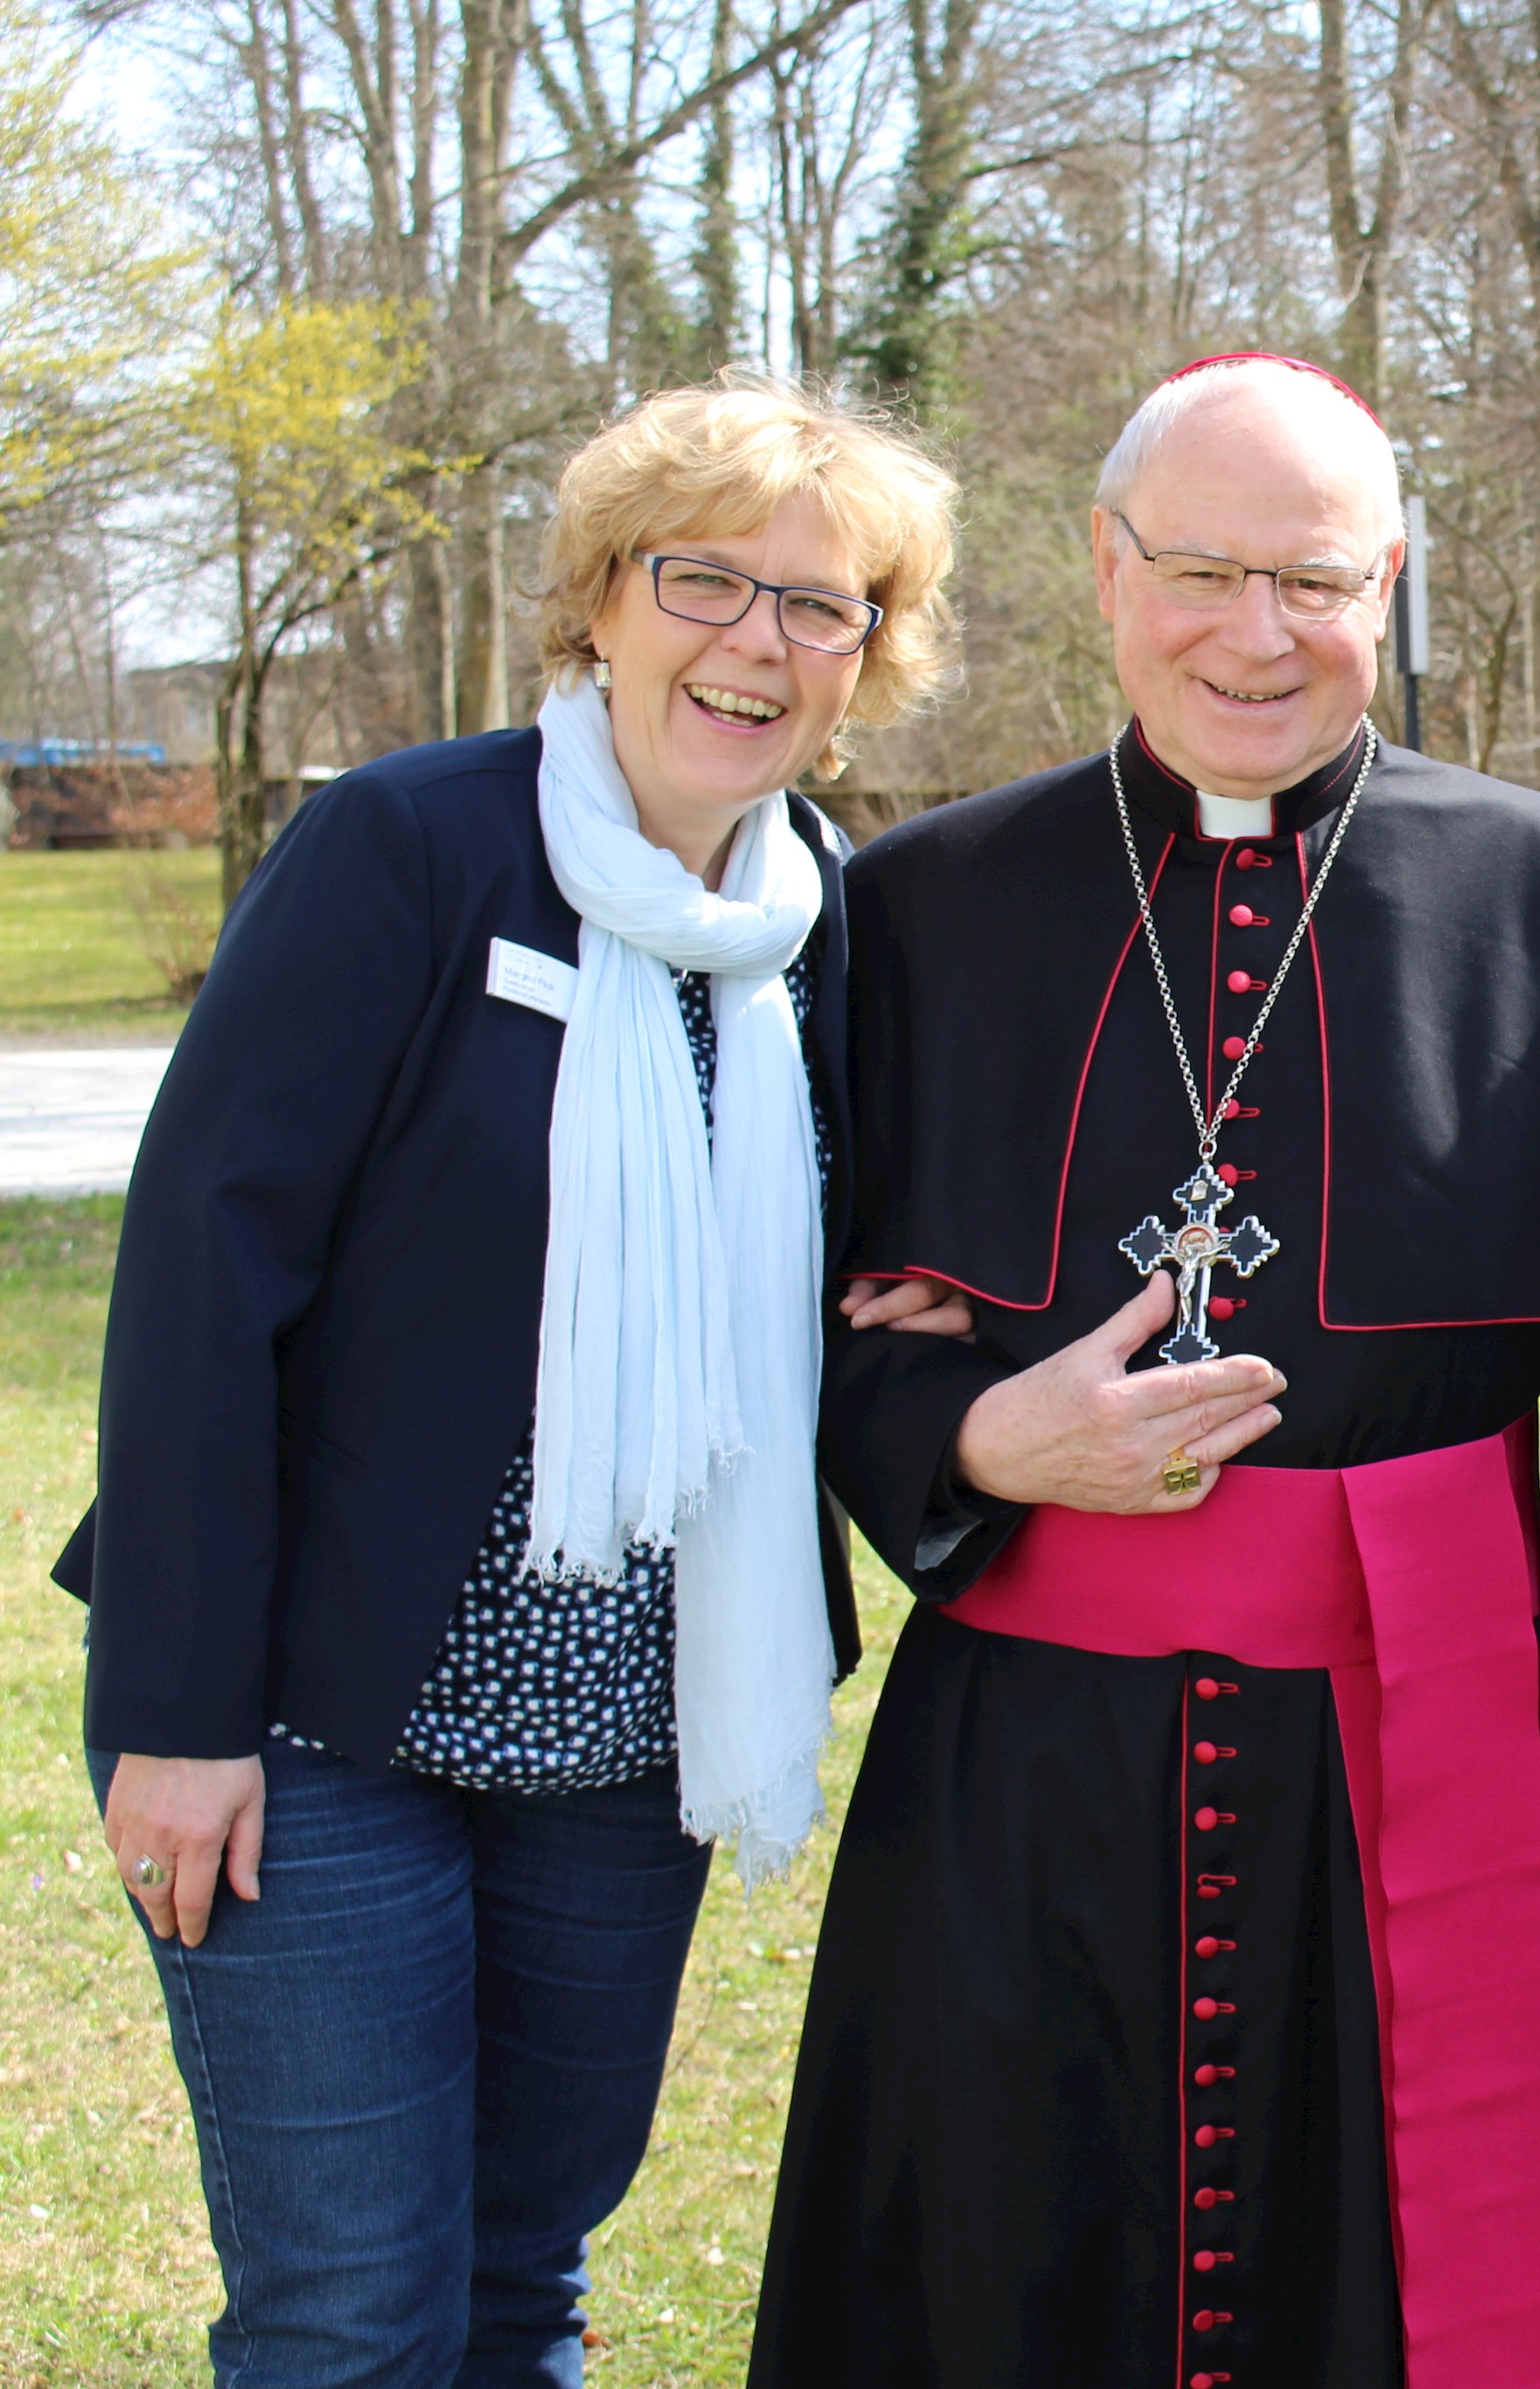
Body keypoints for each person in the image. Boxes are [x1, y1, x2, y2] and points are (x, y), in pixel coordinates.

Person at [754, 351, 1540, 2389]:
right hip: (1019, 1768)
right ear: (1102, 568)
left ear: (1390, 584)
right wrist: (984, 1433)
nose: (1257, 634)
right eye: (1201, 569)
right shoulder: (910, 915)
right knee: (1009, 2267)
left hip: (1423, 1747)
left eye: (1315, 580)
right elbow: (807, 1324)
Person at [61, 373, 968, 2386]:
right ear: (603, 604)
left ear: (866, 659)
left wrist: (894, 1307)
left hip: (623, 1749)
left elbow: (804, 1256)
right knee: (349, 2313)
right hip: (314, 1719)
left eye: (817, 606)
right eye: (704, 580)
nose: (756, 639)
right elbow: (202, 1281)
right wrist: (178, 1712)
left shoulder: (813, 926)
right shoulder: (409, 847)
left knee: (517, 2281)